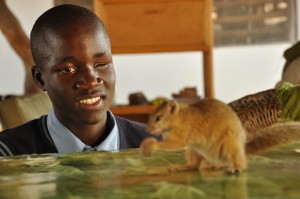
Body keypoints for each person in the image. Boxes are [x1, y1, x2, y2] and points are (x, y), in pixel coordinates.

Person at [0, 4, 160, 156]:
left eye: (102, 64)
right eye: (69, 69)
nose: (91, 80)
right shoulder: (7, 153)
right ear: (40, 79)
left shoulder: (160, 146)